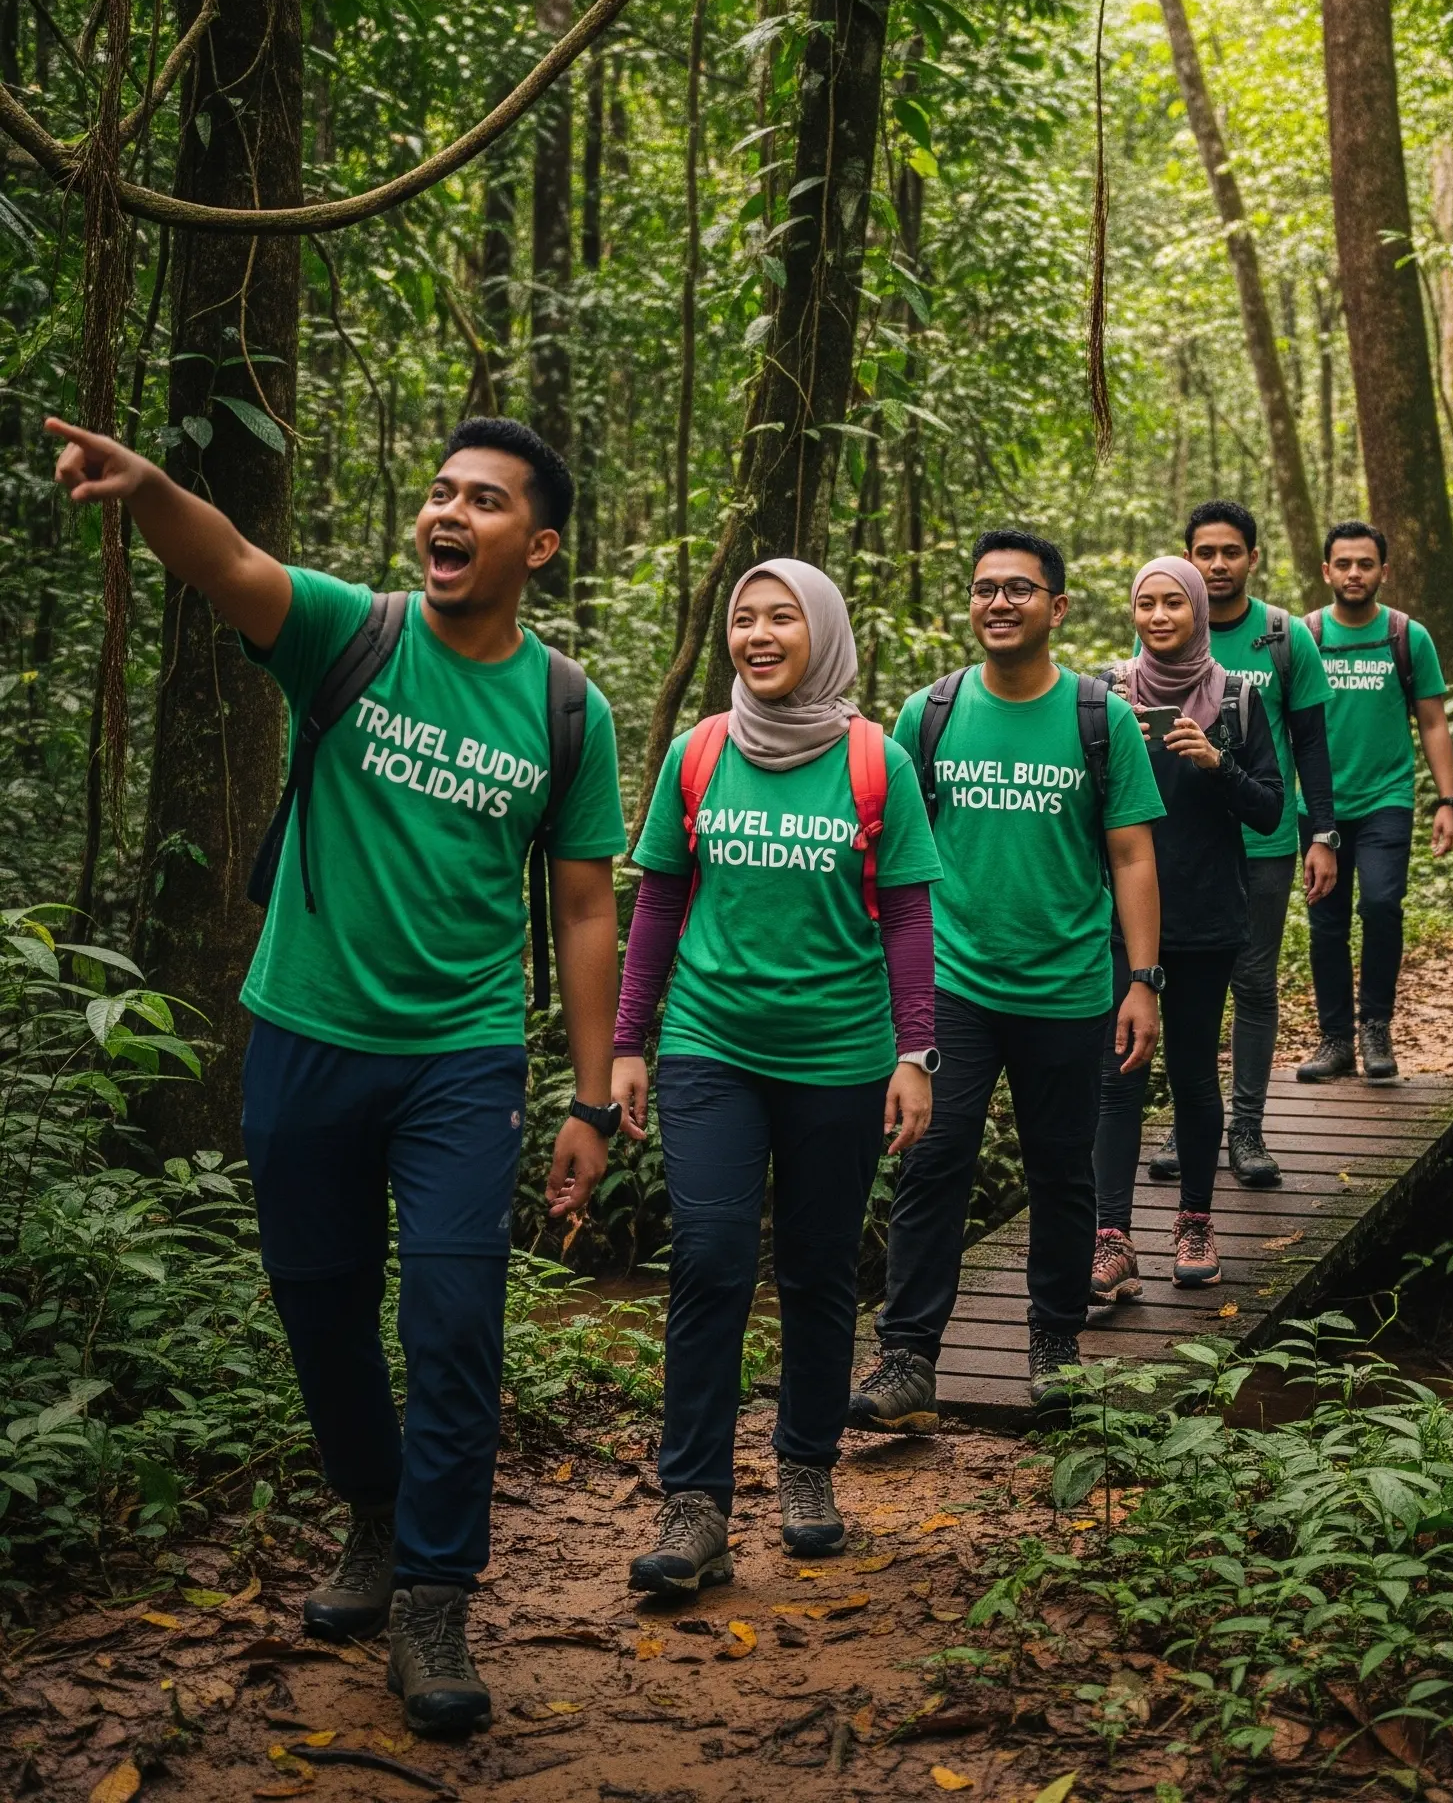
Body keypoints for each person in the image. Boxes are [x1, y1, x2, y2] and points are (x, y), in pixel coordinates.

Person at [50, 414, 626, 1736]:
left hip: (462, 1059)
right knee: (320, 1309)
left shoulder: (565, 709)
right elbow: (230, 561)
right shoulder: (349, 635)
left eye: (483, 501)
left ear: (535, 544)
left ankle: (434, 1593)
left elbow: (586, 907)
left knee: (456, 1323)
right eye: (439, 492)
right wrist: (148, 490)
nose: (448, 513)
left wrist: (590, 1100)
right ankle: (374, 1512)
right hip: (305, 1033)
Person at [611, 560, 942, 1596]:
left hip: (840, 1056)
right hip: (710, 1045)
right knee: (710, 1258)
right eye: (742, 618)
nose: (756, 633)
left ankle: (804, 1467)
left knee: (816, 1265)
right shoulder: (698, 751)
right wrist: (629, 1040)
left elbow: (906, 917)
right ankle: (695, 1500)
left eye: (779, 616)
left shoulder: (871, 758)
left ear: (823, 631)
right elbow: (660, 899)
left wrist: (914, 1052)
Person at [847, 530, 1163, 1427]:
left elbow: (1133, 855)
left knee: (1062, 1170)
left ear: (1056, 608)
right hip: (952, 983)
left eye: (1019, 590)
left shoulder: (1100, 718)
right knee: (932, 1161)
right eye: (985, 589)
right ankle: (907, 1360)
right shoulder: (929, 715)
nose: (998, 603)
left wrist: (1142, 979)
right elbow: (894, 861)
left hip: (1068, 986)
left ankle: (1055, 1344)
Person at [1090, 557, 1283, 1300]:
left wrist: (1215, 762)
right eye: (1146, 604)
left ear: (1198, 611)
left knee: (1196, 1074)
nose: (1159, 616)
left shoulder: (1236, 696)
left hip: (1205, 914)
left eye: (1174, 603)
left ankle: (1196, 1221)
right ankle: (1111, 1239)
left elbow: (1269, 807)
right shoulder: (1103, 695)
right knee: (1117, 1076)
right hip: (1116, 918)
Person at [1148, 500, 1338, 1189]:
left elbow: (1312, 744)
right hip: (1179, 849)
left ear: (1253, 558)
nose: (1219, 564)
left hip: (1261, 843)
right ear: (1189, 558)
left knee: (1253, 981)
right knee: (1172, 983)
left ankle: (1248, 1127)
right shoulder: (1160, 633)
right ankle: (1185, 1118)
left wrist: (1323, 832)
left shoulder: (1284, 638)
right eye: (1206, 552)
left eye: (1232, 552)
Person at [1297, 521, 1453, 1084]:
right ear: (1326, 571)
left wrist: (1447, 799)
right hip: (1318, 804)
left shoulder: (1406, 635)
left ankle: (1376, 1027)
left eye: (1365, 564)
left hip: (1387, 798)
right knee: (1326, 923)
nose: (1353, 574)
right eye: (1343, 564)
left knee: (1383, 906)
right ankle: (1335, 1037)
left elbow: (1434, 722)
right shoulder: (1306, 635)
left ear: (1383, 572)